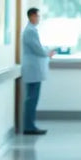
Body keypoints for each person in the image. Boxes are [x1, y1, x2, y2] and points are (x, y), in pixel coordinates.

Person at [21, 7, 54, 135]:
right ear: (32, 16)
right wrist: (48, 53)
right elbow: (37, 49)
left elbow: (38, 47)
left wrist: (46, 50)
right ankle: (29, 126)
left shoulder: (31, 30)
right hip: (33, 70)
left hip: (33, 70)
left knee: (32, 98)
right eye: (38, 16)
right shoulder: (30, 31)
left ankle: (30, 125)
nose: (39, 19)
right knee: (32, 99)